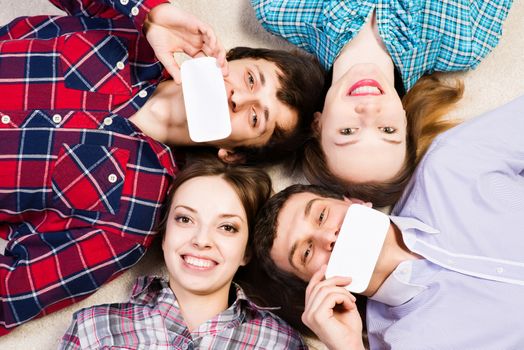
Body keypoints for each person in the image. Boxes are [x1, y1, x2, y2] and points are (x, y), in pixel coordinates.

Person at [0, 0, 325, 335]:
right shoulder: (136, 31)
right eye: (251, 79)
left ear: (234, 154)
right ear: (226, 58)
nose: (239, 99)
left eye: (256, 118)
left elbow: (11, 295)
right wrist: (152, 14)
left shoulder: (129, 220)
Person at [251, 95, 524, 349]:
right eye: (306, 252)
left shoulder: (450, 166)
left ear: (355, 202)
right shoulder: (402, 342)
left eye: (321, 215)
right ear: (315, 287)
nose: (328, 238)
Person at [252, 0, 513, 206]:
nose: (368, 111)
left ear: (318, 124)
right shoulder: (464, 43)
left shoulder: (278, 10)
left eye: (348, 131)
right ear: (405, 119)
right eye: (388, 130)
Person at [58, 157, 306, 349]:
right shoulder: (95, 328)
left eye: (227, 227)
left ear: (246, 252)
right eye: (185, 219)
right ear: (165, 236)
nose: (201, 240)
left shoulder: (281, 343)